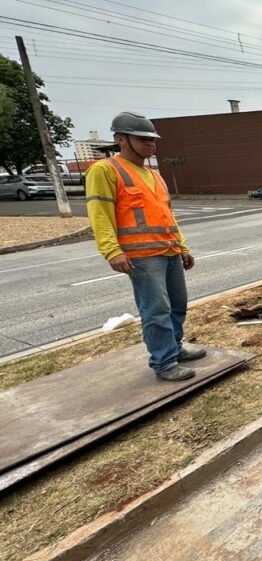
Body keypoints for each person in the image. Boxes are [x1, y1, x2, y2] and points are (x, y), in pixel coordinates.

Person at [85, 112, 205, 382]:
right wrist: (112, 250)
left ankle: (175, 349)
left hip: (169, 250)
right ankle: (163, 363)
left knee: (177, 305)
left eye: (152, 139)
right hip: (141, 256)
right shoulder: (105, 170)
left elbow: (167, 215)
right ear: (120, 139)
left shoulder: (154, 175)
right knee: (156, 310)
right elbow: (99, 213)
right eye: (142, 138)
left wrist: (182, 246)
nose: (150, 144)